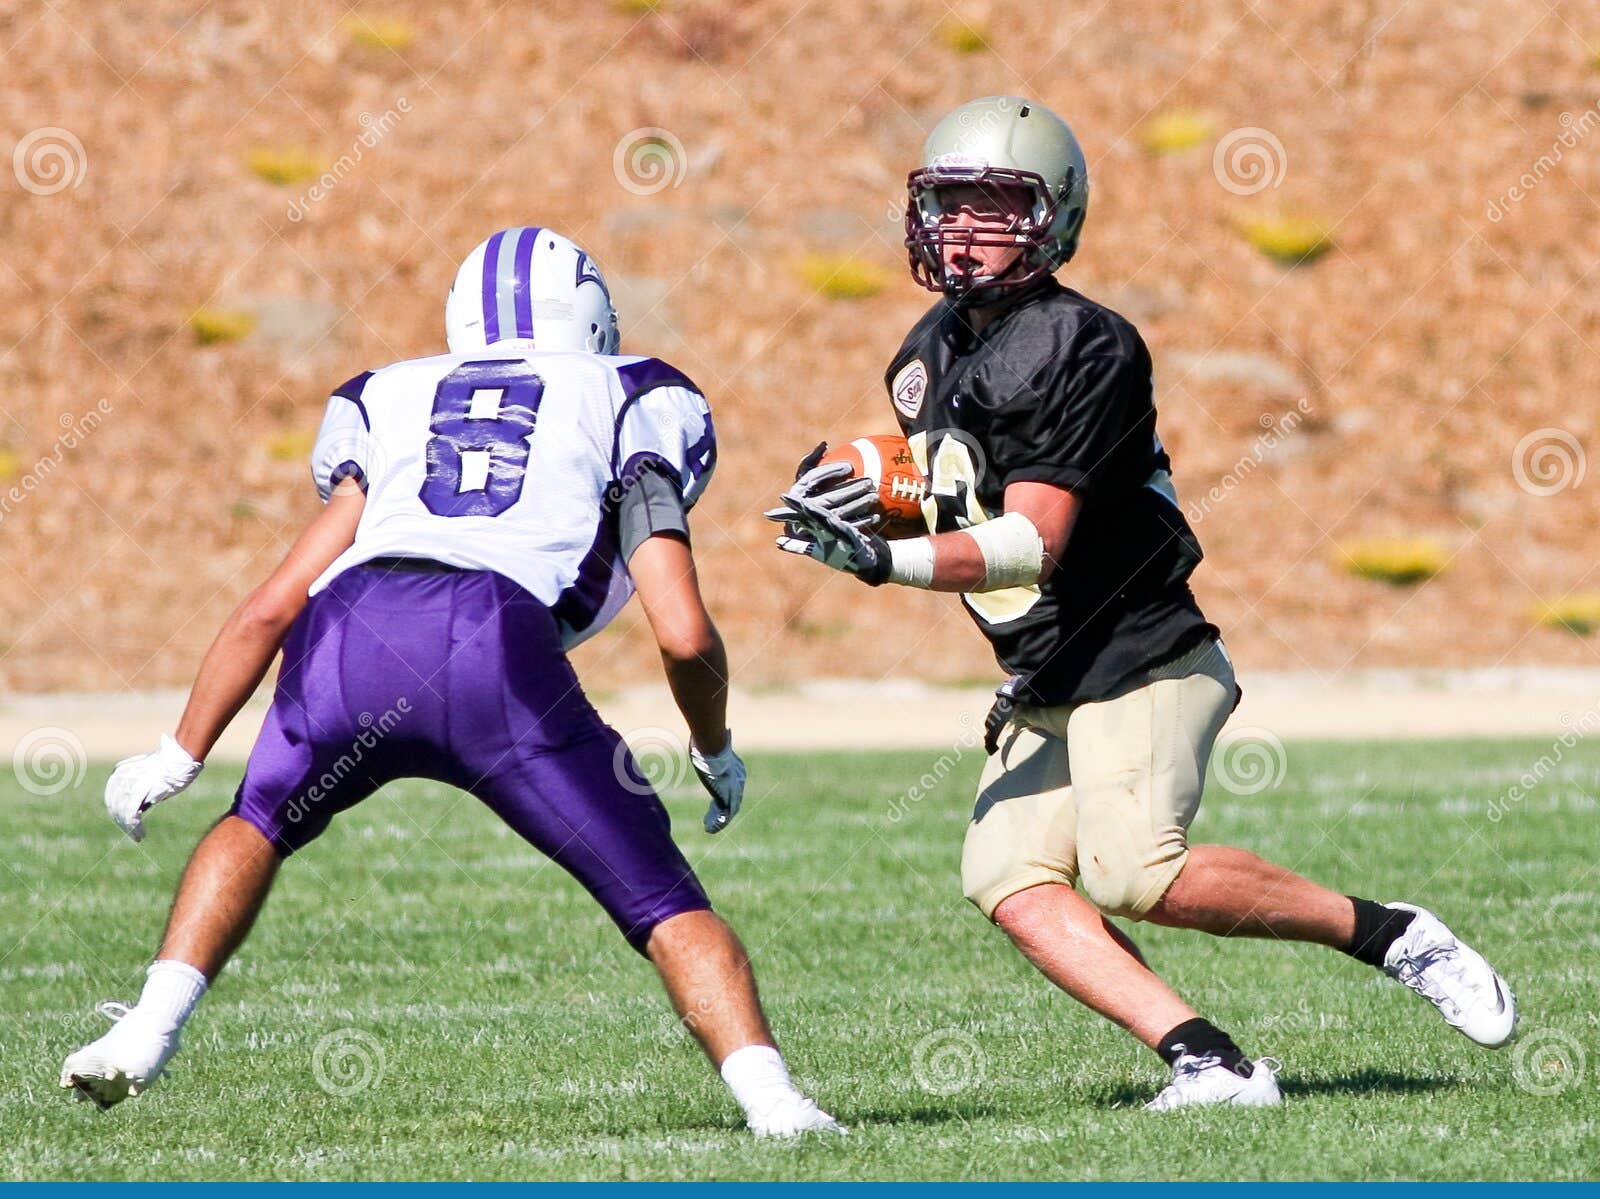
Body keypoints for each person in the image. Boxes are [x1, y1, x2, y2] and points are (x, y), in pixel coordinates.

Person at [768, 97, 1516, 1109]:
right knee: (1009, 879)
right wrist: (869, 492)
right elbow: (963, 481)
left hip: (1141, 653)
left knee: (1134, 874)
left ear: (1053, 218)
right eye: (946, 202)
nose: (961, 227)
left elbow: (1031, 539)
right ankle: (1209, 1062)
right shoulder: (926, 352)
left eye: (993, 203)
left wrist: (879, 562)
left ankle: (1395, 936)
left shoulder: (1086, 343)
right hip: (1045, 672)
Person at [62, 226, 840, 1137]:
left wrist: (178, 752)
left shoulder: (389, 395)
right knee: (662, 899)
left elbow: (271, 604)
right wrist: (714, 746)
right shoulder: (630, 394)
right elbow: (682, 630)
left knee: (255, 822)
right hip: (490, 648)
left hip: (346, 631)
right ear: (591, 314)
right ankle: (776, 1108)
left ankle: (146, 1033)